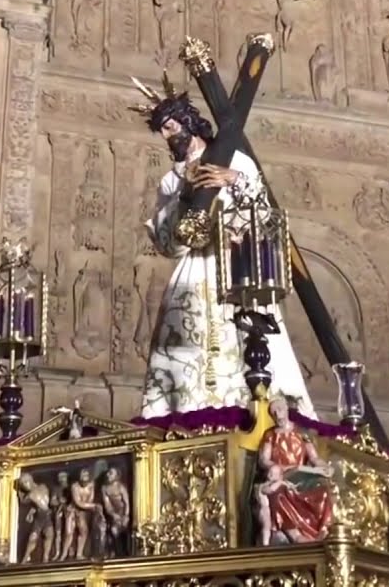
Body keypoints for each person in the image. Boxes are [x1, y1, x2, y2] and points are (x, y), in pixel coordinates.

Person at [132, 74, 315, 419]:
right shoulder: (171, 180)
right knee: (187, 348)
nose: (166, 137)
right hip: (195, 272)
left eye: (170, 128)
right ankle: (187, 413)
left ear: (188, 123)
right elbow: (168, 243)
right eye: (162, 131)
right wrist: (185, 194)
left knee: (249, 340)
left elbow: (264, 214)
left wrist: (233, 179)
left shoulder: (234, 159)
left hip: (237, 264)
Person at [255, 398, 334, 544]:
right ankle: (296, 536)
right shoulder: (270, 435)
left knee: (322, 488)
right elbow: (263, 459)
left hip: (302, 476)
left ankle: (323, 531)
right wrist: (275, 466)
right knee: (278, 495)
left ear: (286, 409)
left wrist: (325, 467)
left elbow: (314, 458)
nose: (277, 414)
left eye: (279, 409)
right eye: (273, 412)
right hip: (283, 476)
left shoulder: (301, 432)